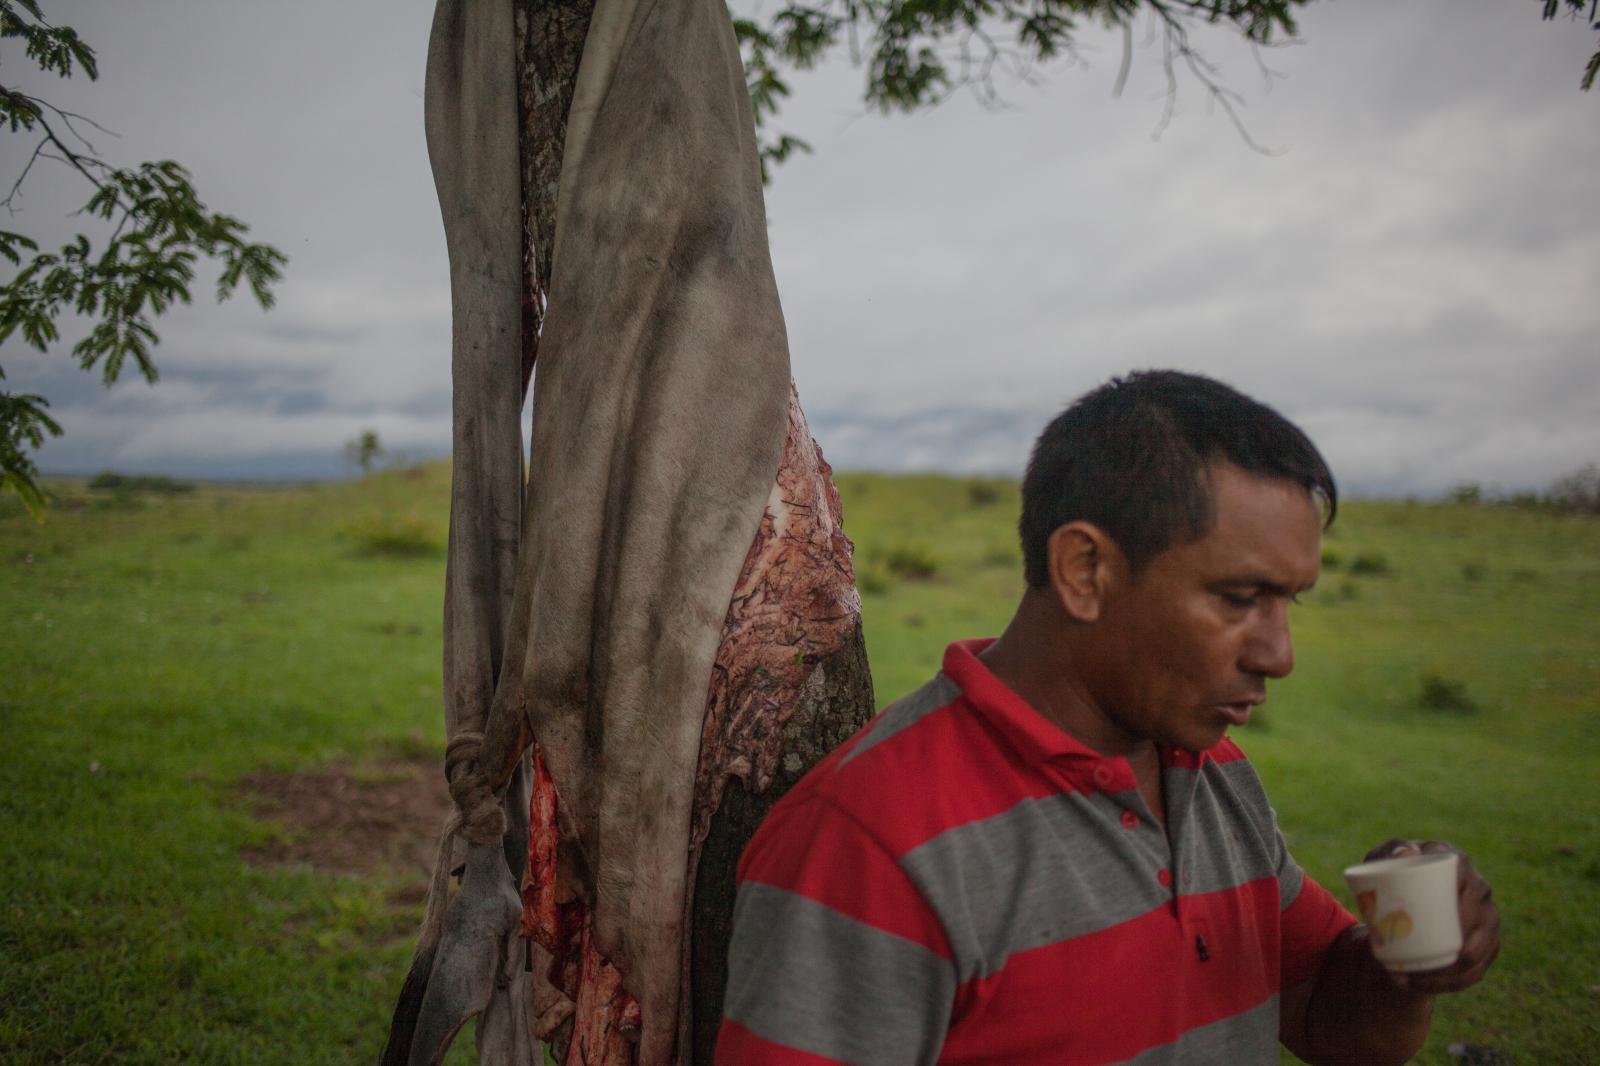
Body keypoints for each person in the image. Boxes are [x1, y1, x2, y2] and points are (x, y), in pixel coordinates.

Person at [714, 370, 1500, 1065]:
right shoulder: (870, 842)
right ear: (1085, 571)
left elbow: (1334, 1029)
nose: (1279, 654)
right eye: (1238, 599)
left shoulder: (1214, 774)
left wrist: (1401, 967)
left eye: (1286, 602)